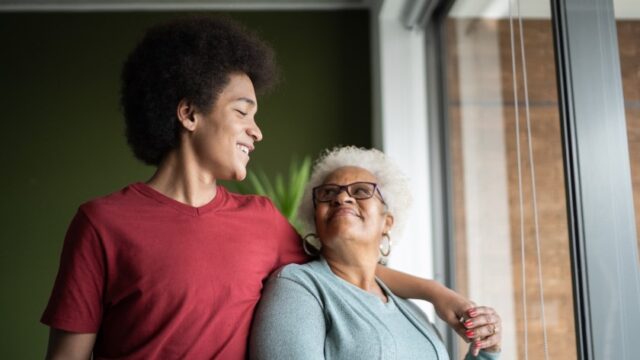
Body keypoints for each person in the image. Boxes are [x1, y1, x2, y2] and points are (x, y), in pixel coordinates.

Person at [42, 16, 477, 359]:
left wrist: (437, 294)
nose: (257, 132)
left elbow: (347, 270)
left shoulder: (262, 220)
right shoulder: (102, 223)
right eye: (243, 112)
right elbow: (68, 356)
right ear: (189, 114)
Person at [250, 146, 502, 359]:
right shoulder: (298, 286)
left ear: (387, 222)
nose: (341, 198)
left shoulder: (410, 310)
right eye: (328, 194)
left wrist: (487, 351)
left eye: (360, 191)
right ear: (315, 221)